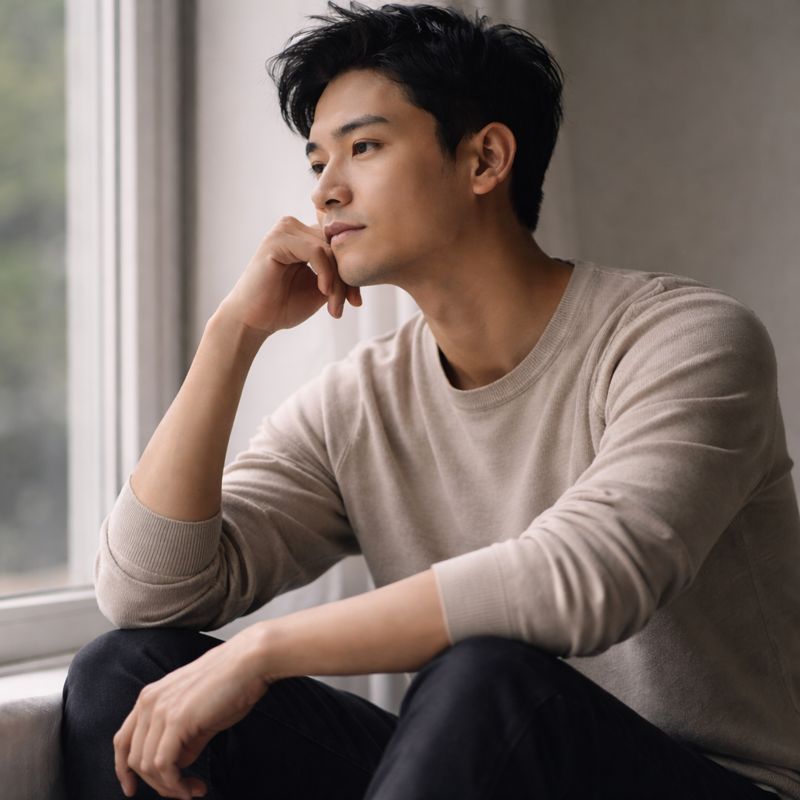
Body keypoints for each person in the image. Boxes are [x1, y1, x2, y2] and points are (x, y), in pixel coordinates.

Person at [61, 2, 800, 799]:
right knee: (125, 674)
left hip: (708, 783)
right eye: (316, 164)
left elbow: (586, 579)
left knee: (486, 679)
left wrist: (261, 648)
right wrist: (233, 334)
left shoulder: (688, 341)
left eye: (364, 147)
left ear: (484, 160)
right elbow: (147, 593)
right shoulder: (360, 402)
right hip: (477, 765)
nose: (326, 193)